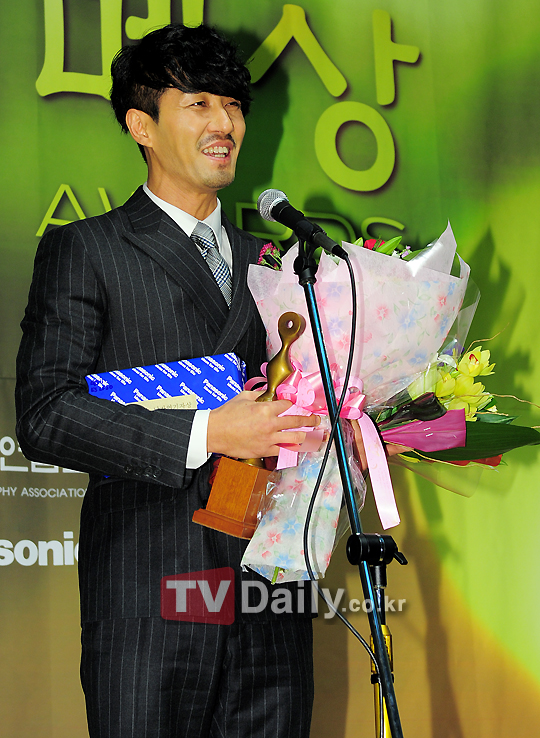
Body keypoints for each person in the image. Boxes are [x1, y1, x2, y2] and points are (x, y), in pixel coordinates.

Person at [15, 24, 320, 738]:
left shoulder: (278, 262)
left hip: (268, 593)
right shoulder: (87, 248)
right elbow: (45, 413)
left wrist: (353, 430)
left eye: (234, 105)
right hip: (151, 590)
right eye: (200, 103)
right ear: (141, 125)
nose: (225, 123)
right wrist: (211, 430)